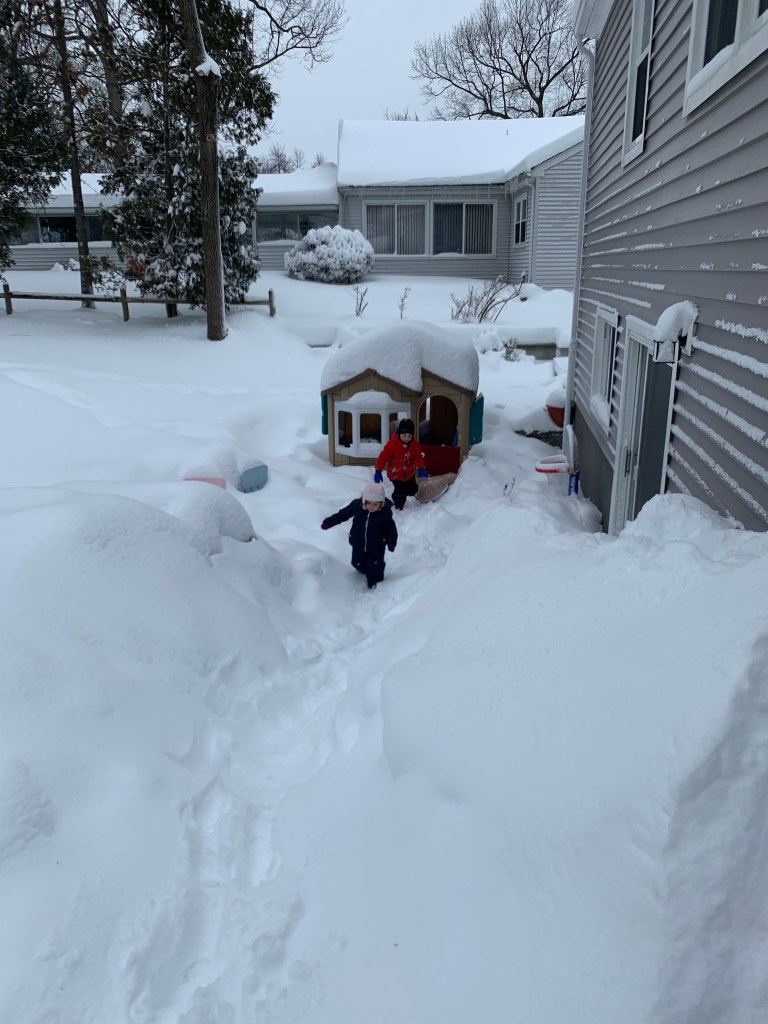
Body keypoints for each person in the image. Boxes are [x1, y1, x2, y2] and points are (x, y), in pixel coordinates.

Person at [321, 482, 398, 590]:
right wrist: (329, 522)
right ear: (364, 500)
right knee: (356, 563)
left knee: (375, 567)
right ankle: (366, 570)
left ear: (381, 503)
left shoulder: (384, 513)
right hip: (358, 543)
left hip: (377, 546)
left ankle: (375, 583)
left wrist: (391, 542)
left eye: (376, 504)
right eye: (369, 503)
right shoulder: (356, 506)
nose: (372, 507)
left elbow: (391, 529)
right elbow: (343, 514)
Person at [373, 418, 429, 510]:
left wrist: (421, 468)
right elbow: (383, 457)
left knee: (413, 490)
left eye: (409, 436)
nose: (407, 438)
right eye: (404, 435)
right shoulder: (392, 445)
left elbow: (418, 457)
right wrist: (378, 471)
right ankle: (398, 502)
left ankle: (404, 493)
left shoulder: (414, 445)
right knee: (400, 492)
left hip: (409, 472)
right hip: (395, 474)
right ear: (399, 433)